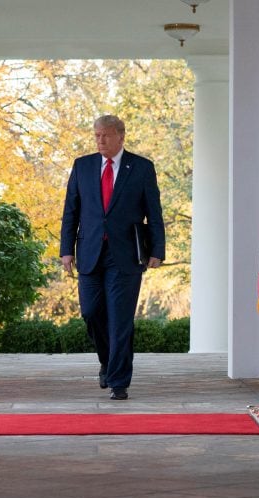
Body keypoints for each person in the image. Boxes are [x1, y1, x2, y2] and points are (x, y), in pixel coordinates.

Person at [60, 115, 165, 400]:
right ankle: (107, 362)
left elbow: (153, 212)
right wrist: (66, 250)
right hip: (90, 252)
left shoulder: (141, 168)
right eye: (96, 135)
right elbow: (71, 210)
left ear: (121, 136)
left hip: (126, 254)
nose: (100, 140)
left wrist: (157, 250)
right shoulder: (83, 166)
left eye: (105, 135)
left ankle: (119, 382)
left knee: (120, 319)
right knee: (91, 312)